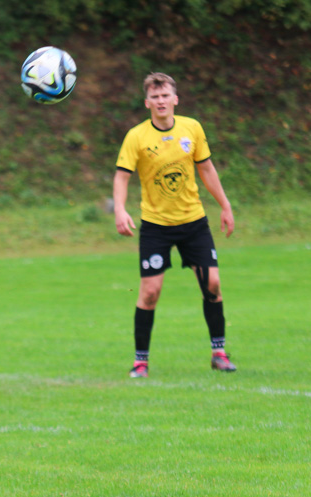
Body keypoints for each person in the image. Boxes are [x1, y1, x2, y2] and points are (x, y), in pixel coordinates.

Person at [112, 72, 237, 378]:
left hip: (194, 222)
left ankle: (219, 352)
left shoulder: (191, 128)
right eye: (155, 97)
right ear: (147, 103)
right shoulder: (137, 136)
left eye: (165, 95)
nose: (161, 101)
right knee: (150, 291)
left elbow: (206, 168)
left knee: (212, 284)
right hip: (155, 226)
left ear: (175, 99)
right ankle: (141, 361)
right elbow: (122, 176)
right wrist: (119, 209)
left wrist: (225, 205)